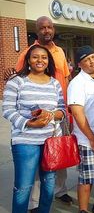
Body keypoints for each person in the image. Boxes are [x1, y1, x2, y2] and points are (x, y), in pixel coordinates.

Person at [15, 16, 72, 210]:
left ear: (53, 29)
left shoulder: (60, 52)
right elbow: (19, 79)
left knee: (59, 155)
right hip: (37, 119)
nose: (46, 30)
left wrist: (66, 111)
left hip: (59, 112)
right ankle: (34, 202)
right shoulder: (26, 53)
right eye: (42, 28)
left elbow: (66, 79)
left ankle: (61, 190)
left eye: (49, 27)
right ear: (37, 31)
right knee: (40, 165)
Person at [2, 45, 66, 213]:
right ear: (28, 60)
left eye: (44, 57)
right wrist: (29, 123)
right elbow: (7, 109)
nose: (40, 60)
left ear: (48, 61)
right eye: (35, 57)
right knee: (23, 187)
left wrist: (49, 115)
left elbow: (62, 110)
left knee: (49, 184)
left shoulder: (55, 83)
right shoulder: (17, 81)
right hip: (25, 141)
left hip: (51, 142)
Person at [67, 45, 94, 213]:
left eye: (93, 57)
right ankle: (83, 210)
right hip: (87, 139)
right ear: (80, 64)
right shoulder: (77, 83)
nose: (92, 62)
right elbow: (77, 114)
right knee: (87, 178)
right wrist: (92, 138)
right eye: (86, 60)